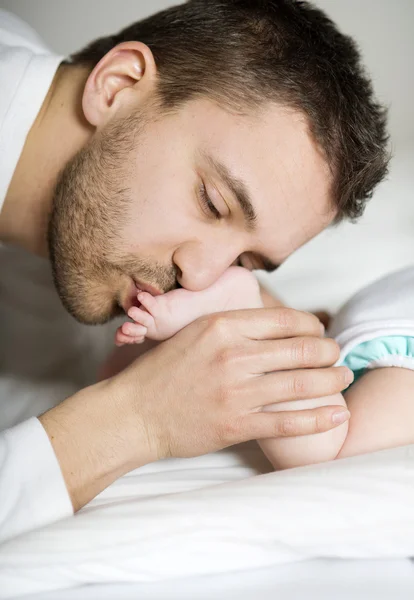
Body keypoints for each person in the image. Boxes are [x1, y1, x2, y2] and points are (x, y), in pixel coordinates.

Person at [0, 0, 389, 543]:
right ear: (115, 84)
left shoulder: (85, 249)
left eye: (244, 260)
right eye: (211, 202)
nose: (201, 275)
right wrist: (141, 418)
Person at [99, 264, 414, 471]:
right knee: (329, 455)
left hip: (390, 299)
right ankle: (243, 308)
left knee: (311, 353)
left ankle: (253, 310)